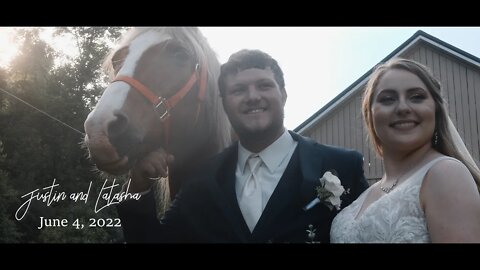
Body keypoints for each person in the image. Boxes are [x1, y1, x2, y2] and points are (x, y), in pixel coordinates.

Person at [117, 49, 369, 243]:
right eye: (238, 90)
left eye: (264, 85)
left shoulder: (343, 166)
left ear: (283, 94)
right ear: (224, 104)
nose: (252, 97)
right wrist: (137, 189)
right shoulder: (202, 179)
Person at [330, 58, 480, 243]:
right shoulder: (366, 194)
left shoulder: (446, 174)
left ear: (436, 110)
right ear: (370, 114)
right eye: (387, 99)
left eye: (416, 97)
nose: (402, 108)